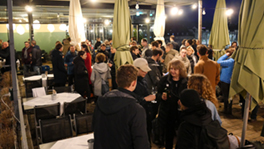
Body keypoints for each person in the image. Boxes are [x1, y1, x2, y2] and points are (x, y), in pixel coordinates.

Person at [93, 65, 150, 149]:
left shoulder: (101, 102)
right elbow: (141, 143)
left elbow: (95, 129)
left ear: (116, 81)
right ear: (134, 83)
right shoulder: (136, 109)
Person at [157, 59, 188, 149]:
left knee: (181, 134)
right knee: (168, 135)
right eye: (171, 69)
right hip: (167, 112)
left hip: (181, 112)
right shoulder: (164, 80)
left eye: (175, 69)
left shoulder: (185, 81)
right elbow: (157, 94)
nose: (172, 71)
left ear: (180, 70)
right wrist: (161, 97)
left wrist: (183, 101)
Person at [133, 58, 156, 144]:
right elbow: (130, 98)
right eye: (143, 70)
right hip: (138, 113)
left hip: (146, 111)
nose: (145, 72)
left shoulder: (142, 79)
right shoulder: (132, 82)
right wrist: (145, 99)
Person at [217, 47, 235, 114]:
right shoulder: (232, 61)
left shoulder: (230, 61)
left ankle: (227, 110)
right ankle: (228, 109)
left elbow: (218, 61)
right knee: (229, 96)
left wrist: (226, 55)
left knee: (226, 96)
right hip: (229, 80)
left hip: (225, 80)